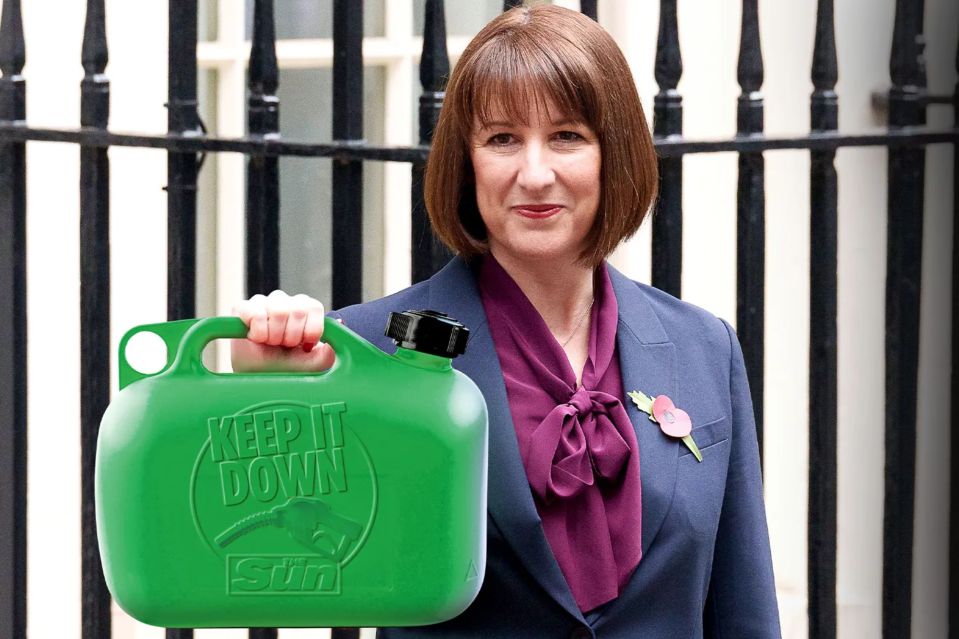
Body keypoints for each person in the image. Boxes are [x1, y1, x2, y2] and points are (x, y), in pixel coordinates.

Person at [232, 5, 781, 638]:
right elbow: (275, 546)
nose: (535, 173)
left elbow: (744, 609)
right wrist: (265, 384)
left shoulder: (704, 346)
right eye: (502, 139)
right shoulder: (366, 350)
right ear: (466, 164)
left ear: (614, 154)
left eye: (568, 136)